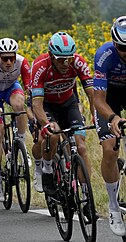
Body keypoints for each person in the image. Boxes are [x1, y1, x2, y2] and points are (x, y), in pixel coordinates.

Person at [31, 32, 93, 199]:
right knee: (53, 134)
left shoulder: (78, 62)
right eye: (60, 59)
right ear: (51, 55)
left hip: (68, 103)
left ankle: (87, 195)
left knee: (81, 147)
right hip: (46, 105)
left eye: (69, 59)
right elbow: (36, 104)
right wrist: (46, 124)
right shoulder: (40, 66)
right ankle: (48, 169)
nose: (66, 63)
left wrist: (95, 116)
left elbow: (93, 95)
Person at [0, 38, 31, 201]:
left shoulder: (22, 62)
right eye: (5, 58)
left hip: (11, 88)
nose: (9, 62)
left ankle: (21, 143)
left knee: (19, 105)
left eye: (12, 58)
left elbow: (29, 88)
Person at [93, 16, 126, 236]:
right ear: (115, 44)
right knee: (109, 148)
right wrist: (113, 118)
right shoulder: (104, 56)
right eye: (123, 48)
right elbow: (98, 99)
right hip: (109, 98)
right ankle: (113, 206)